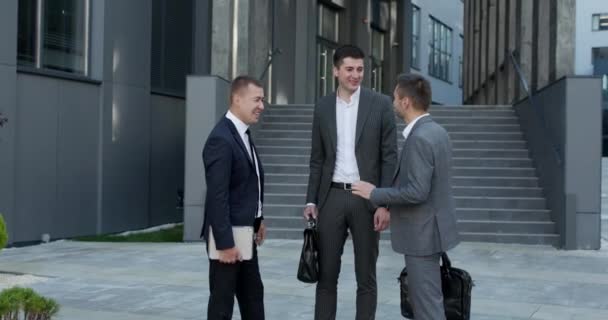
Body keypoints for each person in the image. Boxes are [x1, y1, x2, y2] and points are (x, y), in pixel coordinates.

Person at [352, 73, 460, 320]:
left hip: (422, 236)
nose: (392, 102)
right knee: (430, 302)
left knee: (427, 308)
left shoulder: (420, 138)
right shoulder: (437, 131)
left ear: (405, 102)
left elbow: (417, 191)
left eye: (395, 97)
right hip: (432, 231)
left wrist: (375, 193)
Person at [303, 44, 397, 320]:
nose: (355, 75)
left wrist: (384, 202)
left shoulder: (380, 104)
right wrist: (311, 199)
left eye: (360, 69)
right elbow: (316, 159)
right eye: (349, 69)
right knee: (326, 276)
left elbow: (390, 157)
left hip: (366, 199)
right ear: (335, 71)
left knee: (365, 278)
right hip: (331, 198)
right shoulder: (322, 107)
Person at [201, 75, 267, 320]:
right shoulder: (221, 139)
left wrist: (259, 219)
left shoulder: (242, 134)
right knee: (222, 305)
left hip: (245, 234)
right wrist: (225, 244)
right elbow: (217, 198)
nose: (262, 105)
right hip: (228, 240)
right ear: (237, 99)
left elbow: (248, 185)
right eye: (257, 99)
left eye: (263, 99)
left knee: (253, 298)